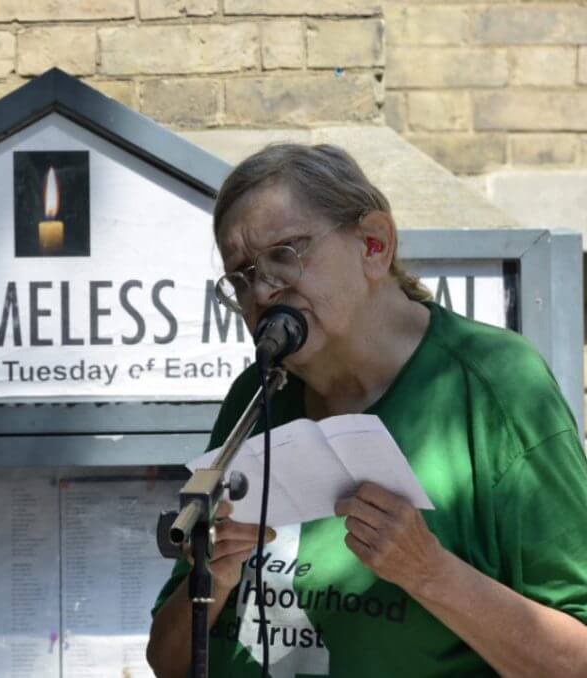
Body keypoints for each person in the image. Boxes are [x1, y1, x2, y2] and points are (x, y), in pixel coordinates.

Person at [146, 143, 587, 677]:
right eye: (240, 276)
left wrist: (429, 573)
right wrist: (211, 581)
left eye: (285, 254)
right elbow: (168, 662)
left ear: (374, 245)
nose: (262, 290)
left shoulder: (496, 384)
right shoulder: (256, 396)